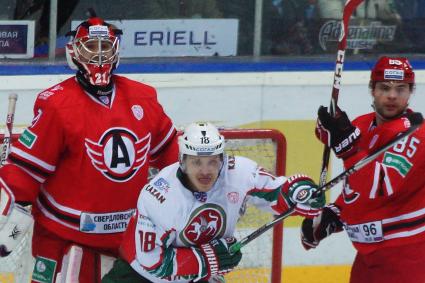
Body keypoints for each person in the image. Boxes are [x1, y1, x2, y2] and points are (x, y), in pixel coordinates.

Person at [0, 12, 179, 282]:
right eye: (91, 47)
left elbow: (171, 157)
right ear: (75, 52)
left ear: (116, 50)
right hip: (65, 240)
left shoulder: (143, 97)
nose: (98, 55)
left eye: (105, 46)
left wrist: (196, 195)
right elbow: (27, 170)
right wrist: (9, 197)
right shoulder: (56, 105)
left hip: (130, 239)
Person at [102, 122, 326, 283]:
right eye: (197, 162)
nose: (206, 171)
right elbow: (153, 261)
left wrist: (299, 193)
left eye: (212, 161)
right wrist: (208, 259)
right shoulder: (161, 196)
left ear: (222, 159)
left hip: (199, 276)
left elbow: (276, 192)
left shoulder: (237, 173)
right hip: (141, 275)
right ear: (183, 161)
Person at [301, 56, 425, 283]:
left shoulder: (415, 134)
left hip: (407, 257)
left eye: (401, 88)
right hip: (368, 257)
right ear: (372, 89)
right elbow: (356, 187)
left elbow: (381, 184)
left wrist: (346, 148)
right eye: (384, 87)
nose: (392, 96)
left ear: (410, 92)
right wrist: (335, 214)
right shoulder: (361, 125)